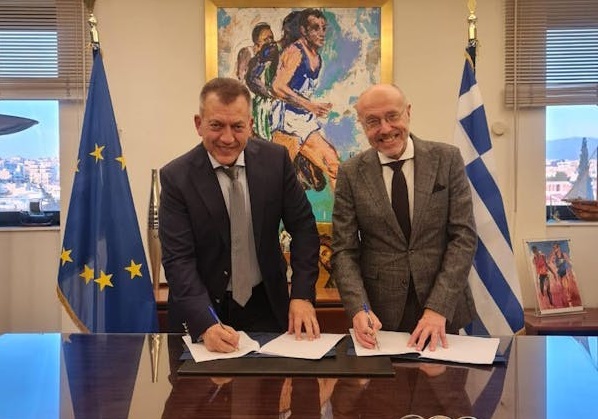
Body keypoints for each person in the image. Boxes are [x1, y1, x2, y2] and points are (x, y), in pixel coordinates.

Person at [159, 77, 321, 353]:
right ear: (199, 124)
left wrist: (302, 295)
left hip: (267, 306)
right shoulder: (176, 177)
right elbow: (178, 260)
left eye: (237, 126)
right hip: (203, 308)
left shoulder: (276, 161)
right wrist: (205, 323)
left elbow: (304, 228)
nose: (227, 138)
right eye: (216, 125)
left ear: (250, 125)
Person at [331, 84, 478, 352]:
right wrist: (359, 307)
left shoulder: (446, 159)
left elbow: (463, 237)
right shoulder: (350, 173)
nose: (385, 128)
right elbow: (344, 250)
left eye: (392, 116)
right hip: (379, 317)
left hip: (442, 310)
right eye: (373, 121)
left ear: (408, 112)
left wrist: (438, 308)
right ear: (362, 124)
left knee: (444, 381)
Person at [271, 8, 340, 191]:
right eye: (316, 28)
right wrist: (309, 105)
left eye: (323, 28)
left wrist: (312, 107)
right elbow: (277, 87)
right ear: (303, 30)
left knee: (334, 165)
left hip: (303, 120)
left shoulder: (317, 58)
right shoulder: (295, 51)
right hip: (286, 122)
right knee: (276, 178)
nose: (322, 33)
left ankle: (343, 209)